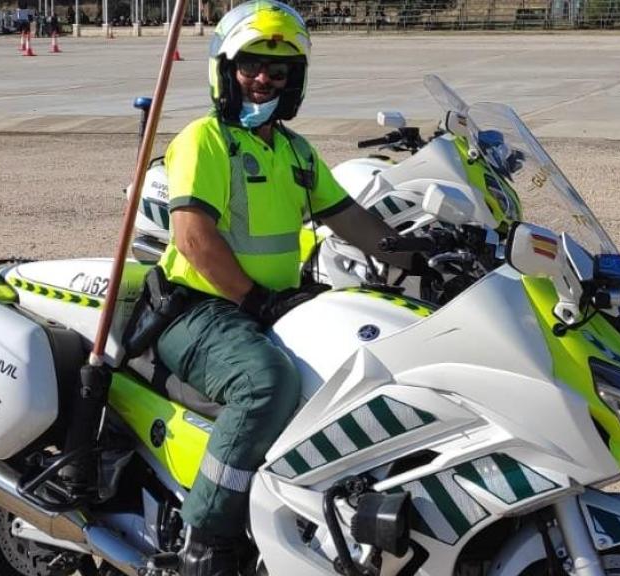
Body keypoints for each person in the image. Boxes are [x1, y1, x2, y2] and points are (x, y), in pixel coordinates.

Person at [153, 1, 424, 574]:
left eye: (277, 72)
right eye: (250, 66)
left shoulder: (295, 151)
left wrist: (424, 260)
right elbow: (195, 239)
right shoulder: (205, 141)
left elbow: (352, 220)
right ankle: (206, 539)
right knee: (265, 382)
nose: (262, 81)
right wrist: (256, 301)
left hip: (268, 309)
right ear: (226, 70)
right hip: (201, 312)